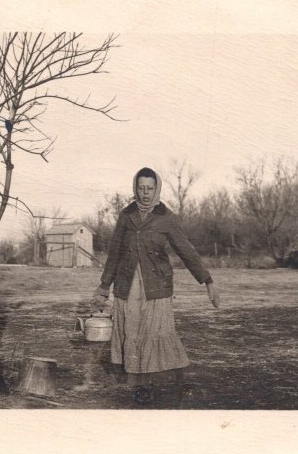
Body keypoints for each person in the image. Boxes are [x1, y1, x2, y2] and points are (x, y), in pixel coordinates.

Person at [93, 167, 220, 405]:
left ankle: (173, 382)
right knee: (133, 332)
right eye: (141, 188)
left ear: (157, 188)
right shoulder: (126, 216)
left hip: (157, 286)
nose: (145, 193)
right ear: (135, 188)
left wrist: (208, 281)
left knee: (156, 333)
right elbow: (114, 254)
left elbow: (186, 251)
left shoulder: (166, 218)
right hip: (127, 284)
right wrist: (103, 286)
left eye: (150, 188)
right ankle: (141, 386)